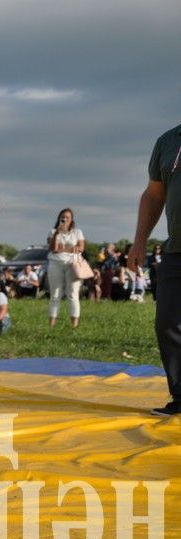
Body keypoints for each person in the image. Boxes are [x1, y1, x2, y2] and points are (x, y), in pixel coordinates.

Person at [128, 123, 181, 416]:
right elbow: (154, 194)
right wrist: (139, 242)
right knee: (168, 324)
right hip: (176, 250)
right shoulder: (168, 141)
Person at [46, 208, 85, 328]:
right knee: (55, 294)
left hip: (72, 264)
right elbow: (53, 248)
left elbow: (81, 248)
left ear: (71, 219)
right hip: (55, 264)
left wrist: (62, 249)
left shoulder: (77, 232)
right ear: (59, 218)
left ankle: (74, 325)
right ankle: (52, 325)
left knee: (73, 293)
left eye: (68, 217)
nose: (65, 219)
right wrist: (57, 233)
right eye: (63, 217)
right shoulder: (53, 232)